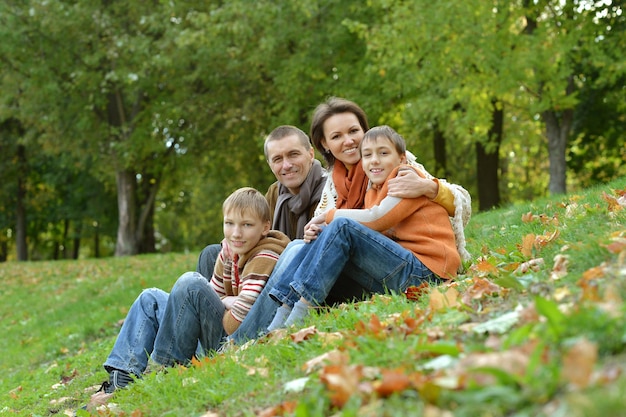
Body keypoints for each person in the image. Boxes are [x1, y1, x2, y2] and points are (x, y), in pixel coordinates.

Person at [229, 98, 471, 343]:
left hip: (419, 267)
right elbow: (330, 228)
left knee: (335, 229)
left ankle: (276, 325)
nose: (348, 141)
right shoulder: (336, 183)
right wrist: (316, 229)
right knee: (298, 246)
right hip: (376, 268)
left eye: (354, 131)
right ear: (325, 144)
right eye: (336, 136)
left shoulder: (399, 168)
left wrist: (429, 187)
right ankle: (266, 328)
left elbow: (373, 219)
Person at [87, 187, 289, 406]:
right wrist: (225, 301)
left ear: (265, 227)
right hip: (220, 327)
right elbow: (215, 296)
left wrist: (223, 302)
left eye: (247, 225)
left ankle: (169, 369)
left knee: (190, 283)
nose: (235, 233)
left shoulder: (265, 254)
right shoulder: (230, 249)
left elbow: (234, 324)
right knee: (150, 298)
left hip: (233, 342)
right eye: (229, 223)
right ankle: (121, 380)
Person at [267, 125, 461, 329]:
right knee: (322, 236)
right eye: (367, 155)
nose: (374, 160)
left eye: (383, 153)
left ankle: (298, 316)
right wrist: (324, 230)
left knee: (341, 226)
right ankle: (282, 311)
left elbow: (376, 218)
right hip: (407, 270)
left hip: (428, 272)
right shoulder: (373, 189)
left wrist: (328, 216)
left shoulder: (404, 178)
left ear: (402, 158)